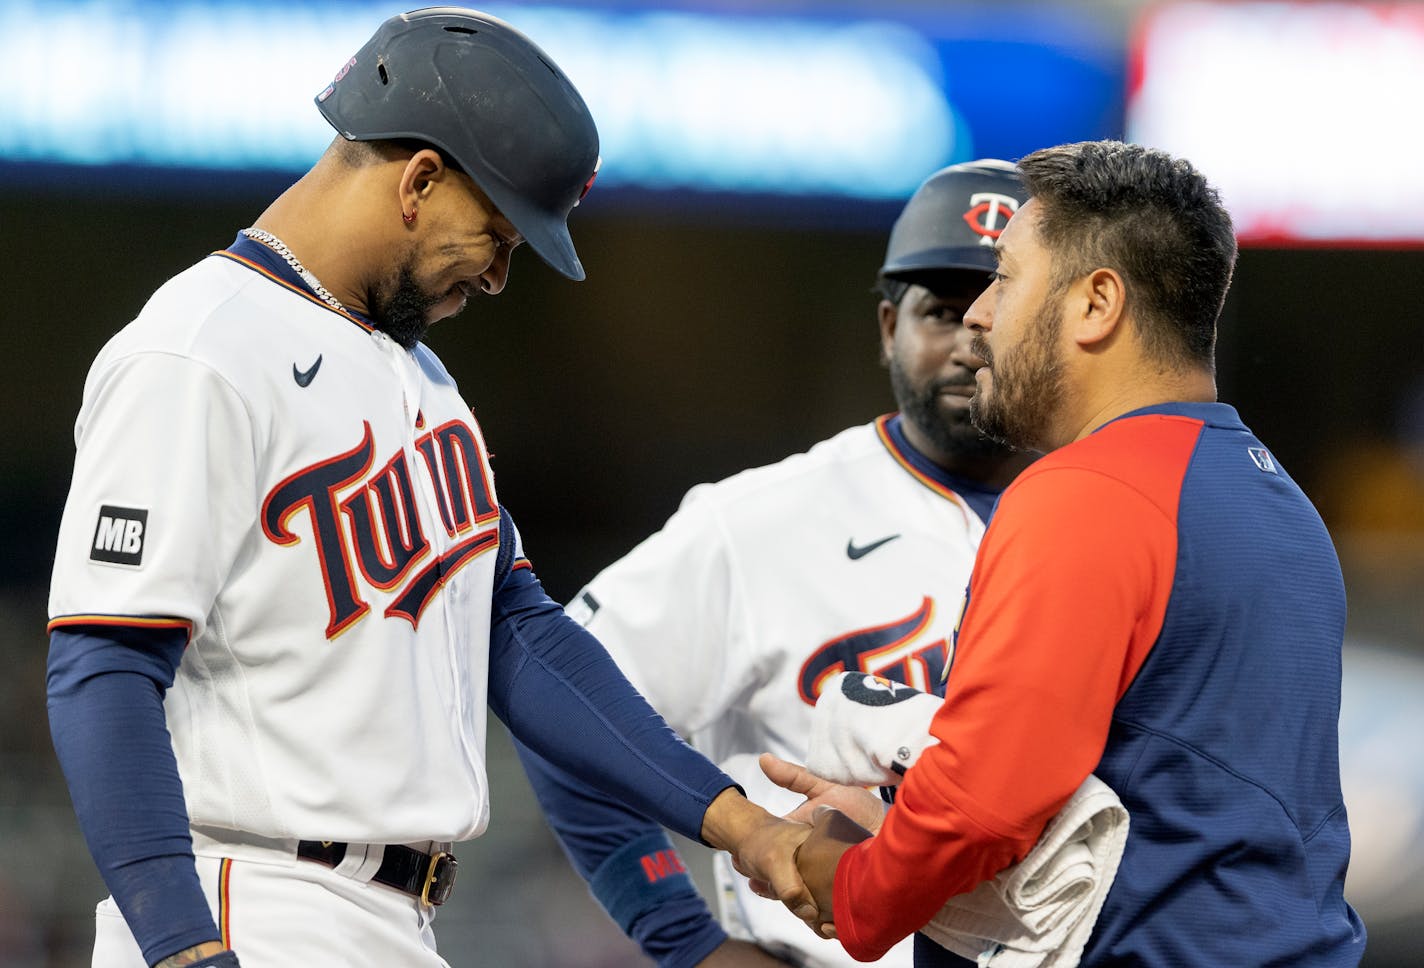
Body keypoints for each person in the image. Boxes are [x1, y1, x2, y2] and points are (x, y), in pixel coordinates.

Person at [43, 10, 810, 968]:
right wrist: (182, 947)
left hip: (389, 921)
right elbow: (106, 667)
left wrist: (738, 824)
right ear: (419, 179)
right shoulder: (200, 345)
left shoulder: (421, 377)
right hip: (250, 897)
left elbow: (519, 632)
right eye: (497, 236)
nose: (497, 277)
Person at [780, 140, 1368, 966]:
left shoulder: (1092, 491)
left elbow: (984, 807)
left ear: (1096, 304)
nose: (981, 312)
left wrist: (848, 879)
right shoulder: (1281, 500)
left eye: (1006, 276)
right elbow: (1172, 797)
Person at [514, 160, 1037, 967]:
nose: (972, 339)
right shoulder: (760, 523)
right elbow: (565, 715)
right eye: (940, 311)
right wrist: (686, 941)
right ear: (887, 326)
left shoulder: (1106, 526)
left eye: (998, 309)